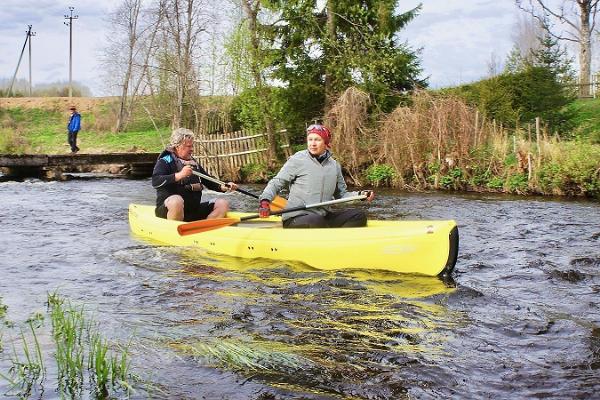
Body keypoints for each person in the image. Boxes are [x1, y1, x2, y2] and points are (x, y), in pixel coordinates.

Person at [258, 124, 375, 228]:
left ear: (326, 143)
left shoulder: (334, 166)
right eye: (310, 139)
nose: (313, 144)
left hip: (323, 216)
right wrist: (265, 201)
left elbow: (342, 195)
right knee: (316, 221)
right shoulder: (297, 159)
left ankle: (338, 243)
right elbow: (277, 182)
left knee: (358, 216)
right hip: (296, 217)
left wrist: (360, 195)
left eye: (317, 140)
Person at [152, 128, 239, 222]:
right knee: (176, 201)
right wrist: (179, 175)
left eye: (192, 146)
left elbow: (209, 181)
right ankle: (175, 230)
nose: (192, 149)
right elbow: (156, 181)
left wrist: (224, 186)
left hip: (192, 211)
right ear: (178, 146)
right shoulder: (165, 161)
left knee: (222, 203)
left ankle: (206, 230)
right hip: (168, 211)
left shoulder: (192, 162)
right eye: (189, 146)